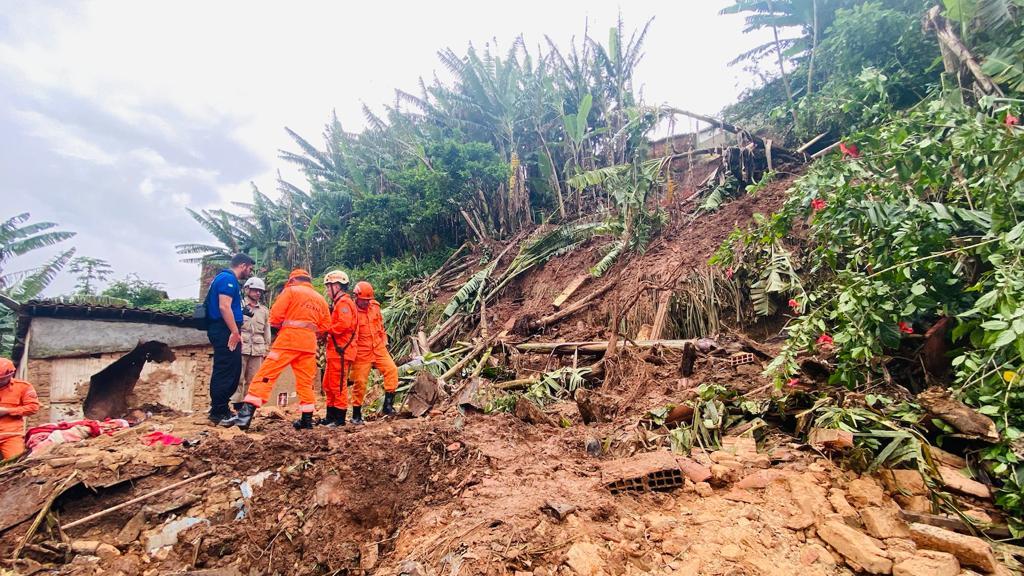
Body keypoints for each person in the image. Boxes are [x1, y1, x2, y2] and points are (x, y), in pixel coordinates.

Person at [222, 269, 330, 430]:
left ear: (292, 280)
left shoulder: (291, 291)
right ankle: (307, 420)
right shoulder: (320, 299)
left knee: (266, 375)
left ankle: (244, 417)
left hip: (287, 341)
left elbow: (275, 316)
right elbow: (325, 325)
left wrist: (285, 325)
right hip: (308, 345)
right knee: (306, 383)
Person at [205, 253, 255, 425]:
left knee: (231, 369)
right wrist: (234, 332)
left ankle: (220, 408)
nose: (249, 271)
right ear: (242, 265)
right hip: (224, 330)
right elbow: (224, 306)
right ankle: (218, 411)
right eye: (249, 268)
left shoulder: (226, 280)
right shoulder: (228, 279)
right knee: (226, 369)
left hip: (225, 329)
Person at [349, 281, 399, 421]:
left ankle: (388, 406)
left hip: (378, 347)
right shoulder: (351, 310)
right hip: (362, 351)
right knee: (360, 383)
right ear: (356, 297)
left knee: (392, 370)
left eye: (368, 300)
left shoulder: (375, 307)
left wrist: (384, 340)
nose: (366, 303)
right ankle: (356, 414)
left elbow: (380, 326)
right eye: (363, 300)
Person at [321, 270, 358, 427]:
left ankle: (339, 418)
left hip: (341, 351)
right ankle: (330, 416)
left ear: (336, 286)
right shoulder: (339, 303)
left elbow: (343, 325)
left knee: (338, 385)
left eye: (329, 287)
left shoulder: (344, 303)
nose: (328, 291)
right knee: (328, 384)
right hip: (335, 351)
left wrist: (326, 329)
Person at [230, 277, 270, 409]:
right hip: (242, 346)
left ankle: (248, 406)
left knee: (253, 379)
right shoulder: (239, 306)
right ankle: (236, 404)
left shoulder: (264, 311)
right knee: (238, 378)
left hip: (258, 349)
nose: (258, 293)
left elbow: (266, 331)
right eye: (255, 290)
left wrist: (266, 348)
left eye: (260, 291)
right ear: (247, 289)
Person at [0, 358, 39, 460]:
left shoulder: (23, 387)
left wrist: (7, 411)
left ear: (11, 374)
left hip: (11, 435)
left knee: (17, 463)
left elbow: (33, 407)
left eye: (1, 379)